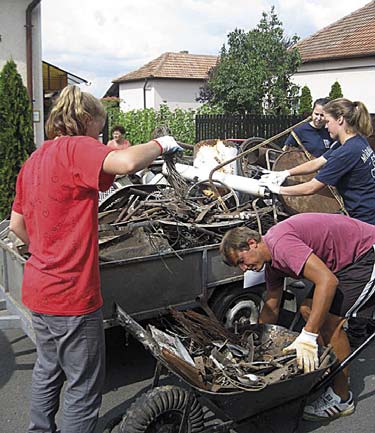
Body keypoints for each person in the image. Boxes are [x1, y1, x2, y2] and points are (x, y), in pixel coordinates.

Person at [9, 85, 182, 433]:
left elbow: (17, 227)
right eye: (99, 129)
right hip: (71, 294)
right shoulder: (77, 147)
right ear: (86, 121)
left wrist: (48, 249)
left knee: (47, 369)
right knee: (83, 387)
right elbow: (129, 162)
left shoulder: (35, 159)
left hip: (38, 288)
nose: (100, 137)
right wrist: (163, 144)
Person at [220, 213, 375, 421]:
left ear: (252, 243)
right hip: (346, 261)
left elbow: (327, 282)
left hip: (365, 254)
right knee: (307, 309)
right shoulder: (272, 263)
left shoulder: (281, 246)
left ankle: (342, 398)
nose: (243, 268)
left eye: (241, 260)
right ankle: (327, 365)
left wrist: (308, 335)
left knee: (330, 324)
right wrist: (254, 343)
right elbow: (272, 304)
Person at [260, 98, 375, 346]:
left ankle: (351, 334)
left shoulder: (349, 151)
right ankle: (355, 324)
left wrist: (277, 191)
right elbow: (320, 162)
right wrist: (285, 173)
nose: (325, 126)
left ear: (341, 120)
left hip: (367, 220)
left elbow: (313, 187)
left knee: (358, 275)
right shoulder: (354, 142)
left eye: (329, 120)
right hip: (364, 214)